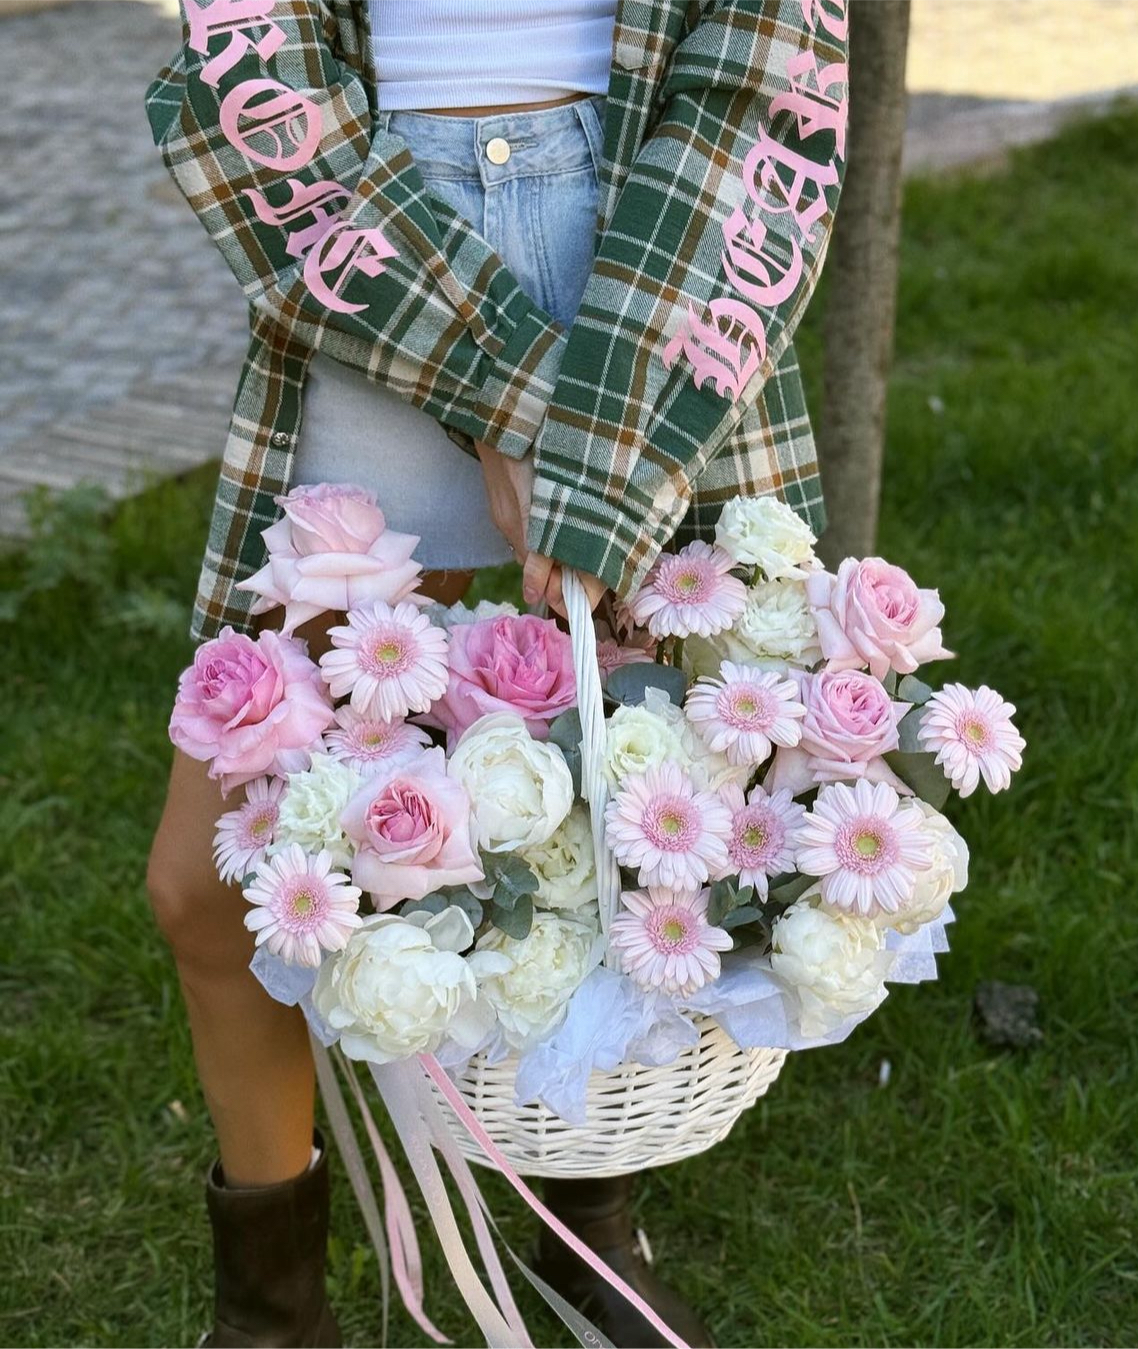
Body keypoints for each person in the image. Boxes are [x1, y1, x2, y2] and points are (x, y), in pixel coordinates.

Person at [144, 0, 849, 1344]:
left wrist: (596, 422)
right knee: (208, 882)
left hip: (648, 254)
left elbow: (764, 61)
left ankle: (582, 1233)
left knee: (641, 810)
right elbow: (250, 76)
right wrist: (522, 415)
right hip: (365, 252)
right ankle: (274, 1314)